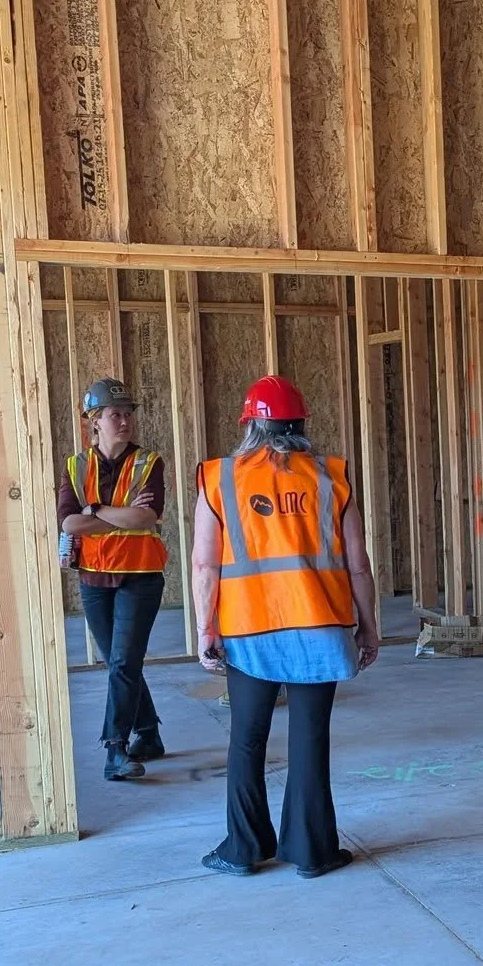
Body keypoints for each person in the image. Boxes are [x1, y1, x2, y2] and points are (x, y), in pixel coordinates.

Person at [193, 375, 381, 878]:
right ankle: (313, 851)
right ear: (300, 424)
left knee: (247, 739)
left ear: (251, 424)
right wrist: (369, 627)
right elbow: (358, 565)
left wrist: (204, 628)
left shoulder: (220, 477)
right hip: (320, 624)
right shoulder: (331, 477)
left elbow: (205, 566)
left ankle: (243, 849)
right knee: (309, 739)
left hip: (250, 626)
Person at [57, 377, 167, 781]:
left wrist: (97, 508)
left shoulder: (148, 463)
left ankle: (116, 749)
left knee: (122, 662)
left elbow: (146, 517)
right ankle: (149, 733)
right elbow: (70, 521)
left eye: (128, 414)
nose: (124, 421)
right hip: (93, 580)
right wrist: (118, 516)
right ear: (95, 422)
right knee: (121, 663)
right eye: (115, 414)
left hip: (140, 576)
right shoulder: (75, 465)